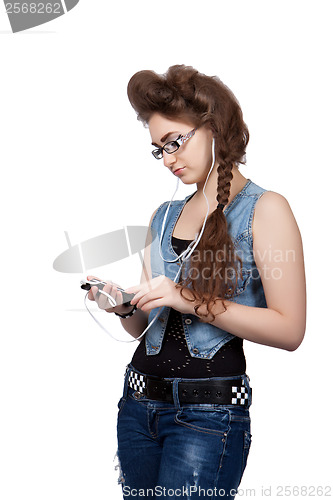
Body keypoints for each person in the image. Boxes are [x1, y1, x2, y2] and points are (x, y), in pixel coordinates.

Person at [87, 65, 306, 499]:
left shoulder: (266, 210)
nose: (168, 159)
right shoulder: (163, 215)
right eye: (158, 149)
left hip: (208, 417)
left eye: (175, 143)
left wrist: (187, 299)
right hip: (137, 406)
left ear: (213, 128)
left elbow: (290, 329)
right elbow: (146, 327)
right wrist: (124, 307)